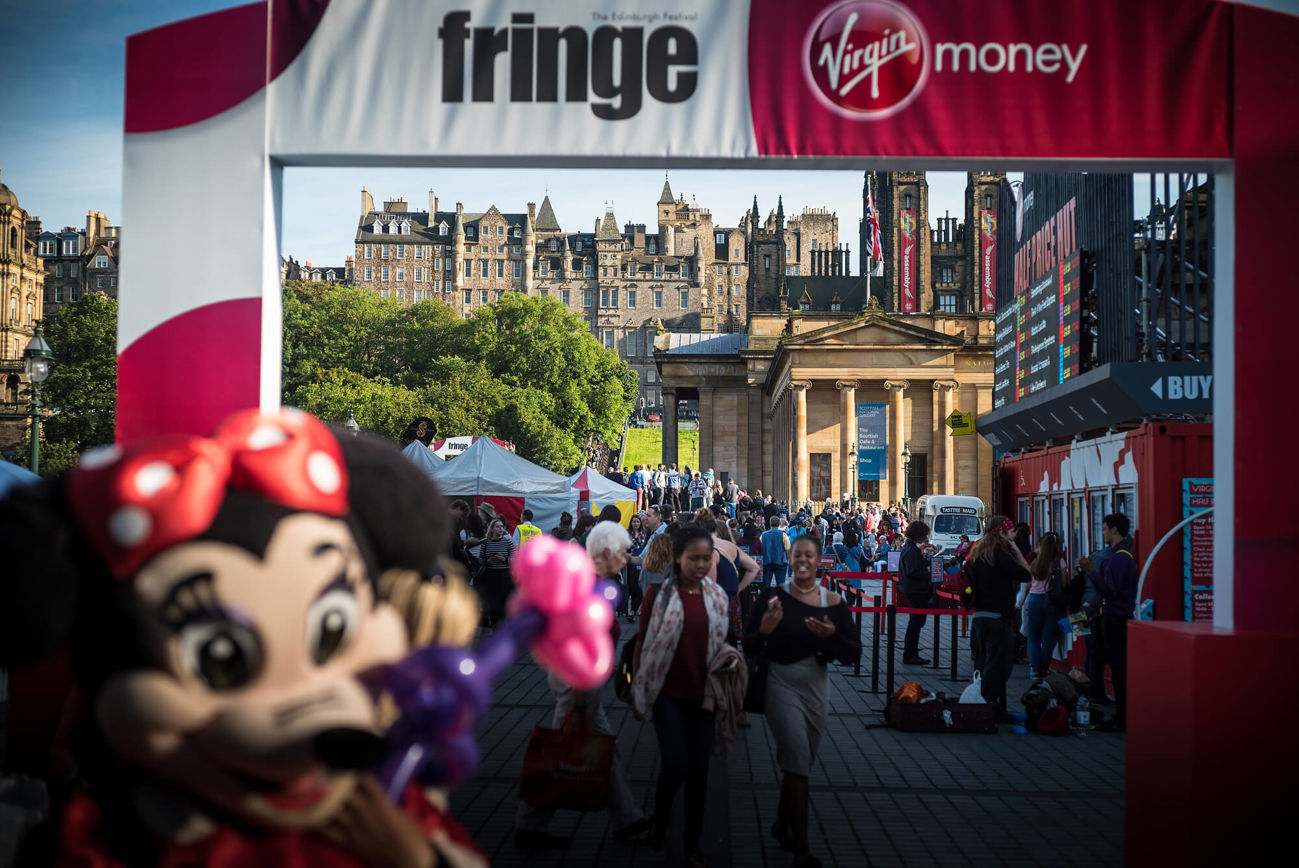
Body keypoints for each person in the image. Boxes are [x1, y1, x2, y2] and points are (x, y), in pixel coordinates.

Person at [516, 521, 649, 849]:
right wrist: (577, 693)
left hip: (579, 680)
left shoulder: (591, 580)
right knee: (562, 748)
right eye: (622, 553)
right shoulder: (586, 584)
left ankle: (626, 817)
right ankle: (531, 822)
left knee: (601, 745)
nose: (625, 559)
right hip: (576, 680)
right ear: (605, 551)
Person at [744, 535, 860, 868]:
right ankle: (802, 848)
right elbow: (748, 645)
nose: (803, 560)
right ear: (790, 558)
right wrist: (765, 631)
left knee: (801, 763)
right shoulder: (771, 598)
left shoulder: (834, 603)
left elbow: (853, 654)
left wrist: (831, 636)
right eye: (798, 555)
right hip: (779, 683)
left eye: (810, 555)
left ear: (819, 559)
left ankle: (782, 825)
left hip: (816, 686)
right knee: (796, 758)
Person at [632, 526, 732, 868]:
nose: (701, 565)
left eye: (706, 558)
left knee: (699, 773)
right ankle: (661, 816)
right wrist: (638, 689)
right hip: (667, 693)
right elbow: (643, 642)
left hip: (705, 694)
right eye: (694, 558)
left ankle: (692, 845)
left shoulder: (717, 597)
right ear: (678, 558)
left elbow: (723, 643)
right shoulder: (658, 596)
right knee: (676, 763)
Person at [965, 516, 1032, 717]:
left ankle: (979, 702)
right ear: (1002, 533)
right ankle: (989, 706)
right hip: (998, 617)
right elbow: (1027, 574)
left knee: (982, 662)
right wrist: (1016, 550)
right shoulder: (1001, 556)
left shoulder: (978, 553)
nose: (1014, 536)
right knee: (998, 664)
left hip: (979, 616)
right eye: (1010, 532)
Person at [1079, 513, 1138, 732]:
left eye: (1105, 528)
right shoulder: (1119, 556)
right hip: (1112, 617)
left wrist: (1091, 573)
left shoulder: (1120, 558)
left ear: (1114, 530)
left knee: (1118, 669)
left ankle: (1122, 717)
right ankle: (1121, 715)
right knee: (1115, 666)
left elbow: (1110, 593)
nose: (1103, 533)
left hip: (1116, 620)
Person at [1025, 531, 1067, 679]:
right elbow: (1063, 584)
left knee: (1033, 638)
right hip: (1051, 601)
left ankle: (1034, 670)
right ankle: (1043, 670)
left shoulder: (1035, 562)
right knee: (1048, 639)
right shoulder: (1059, 562)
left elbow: (1028, 585)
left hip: (1034, 600)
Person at [898, 521, 935, 666]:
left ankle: (911, 651)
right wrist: (929, 575)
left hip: (912, 588)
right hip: (916, 590)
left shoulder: (909, 547)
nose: (925, 537)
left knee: (915, 623)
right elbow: (912, 571)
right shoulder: (912, 550)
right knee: (915, 623)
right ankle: (910, 653)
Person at [474, 516, 516, 626]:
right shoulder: (486, 543)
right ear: (492, 529)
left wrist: (504, 559)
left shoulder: (508, 542)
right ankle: (494, 625)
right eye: (497, 527)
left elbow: (516, 560)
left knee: (504, 605)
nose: (500, 529)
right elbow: (480, 559)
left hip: (504, 577)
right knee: (492, 604)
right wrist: (487, 561)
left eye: (502, 526)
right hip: (490, 577)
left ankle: (504, 626)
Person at [761, 515, 790, 588]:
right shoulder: (783, 535)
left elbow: (760, 548)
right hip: (780, 561)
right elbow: (788, 549)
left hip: (767, 562)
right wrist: (787, 559)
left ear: (770, 523)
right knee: (781, 585)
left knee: (766, 585)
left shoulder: (763, 535)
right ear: (779, 523)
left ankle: (766, 595)